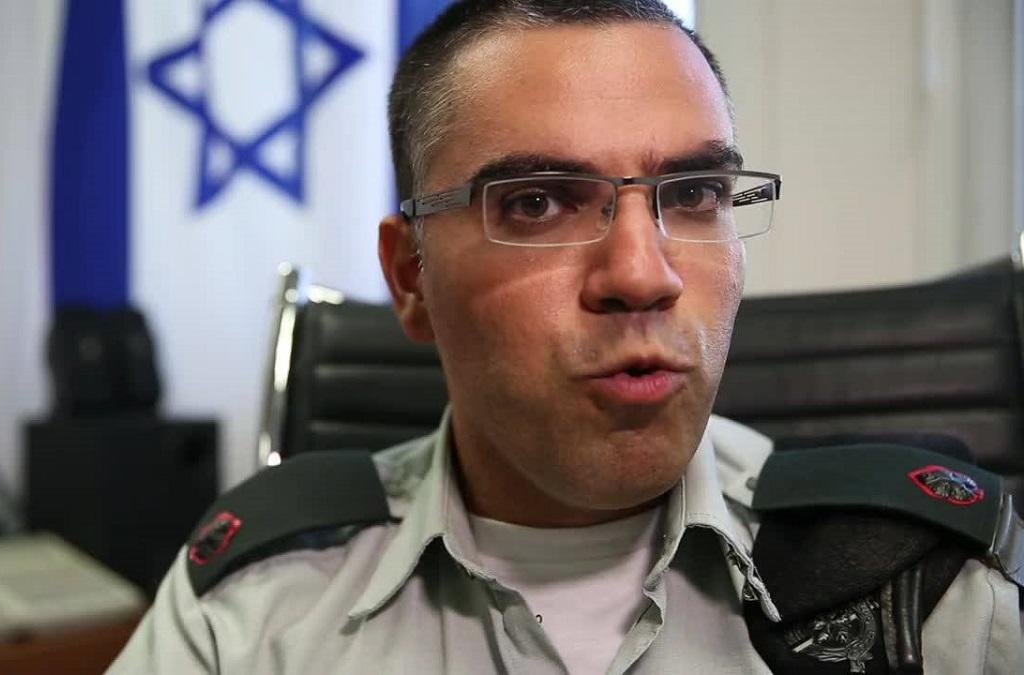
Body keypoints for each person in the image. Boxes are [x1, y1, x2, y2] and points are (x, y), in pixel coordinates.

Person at [110, 1, 1023, 672]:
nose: (642, 275)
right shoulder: (257, 608)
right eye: (538, 203)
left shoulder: (921, 591)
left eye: (693, 194)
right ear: (411, 277)